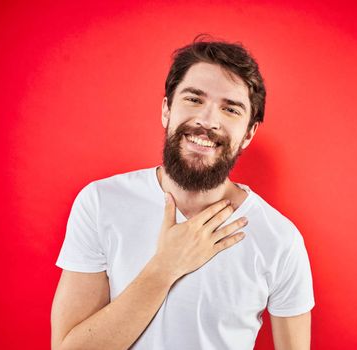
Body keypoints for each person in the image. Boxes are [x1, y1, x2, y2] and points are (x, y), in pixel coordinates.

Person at [51, 36, 315, 350]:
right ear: (166, 109)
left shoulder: (280, 239)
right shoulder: (100, 202)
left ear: (248, 133)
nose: (207, 121)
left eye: (230, 109)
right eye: (194, 99)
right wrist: (165, 267)